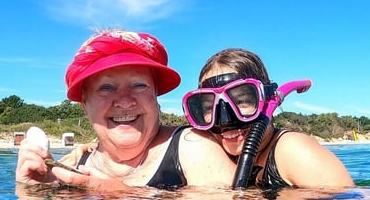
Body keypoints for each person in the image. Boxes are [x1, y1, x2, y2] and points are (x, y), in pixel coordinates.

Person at [16, 30, 234, 190]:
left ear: (155, 96)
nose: (124, 101)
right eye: (106, 88)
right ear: (85, 106)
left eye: (139, 85)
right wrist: (33, 193)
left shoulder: (192, 147)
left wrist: (112, 192)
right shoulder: (71, 167)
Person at [184, 48, 354, 189]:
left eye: (242, 101)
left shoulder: (293, 149)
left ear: (267, 99)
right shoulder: (213, 153)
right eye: (208, 106)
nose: (225, 118)